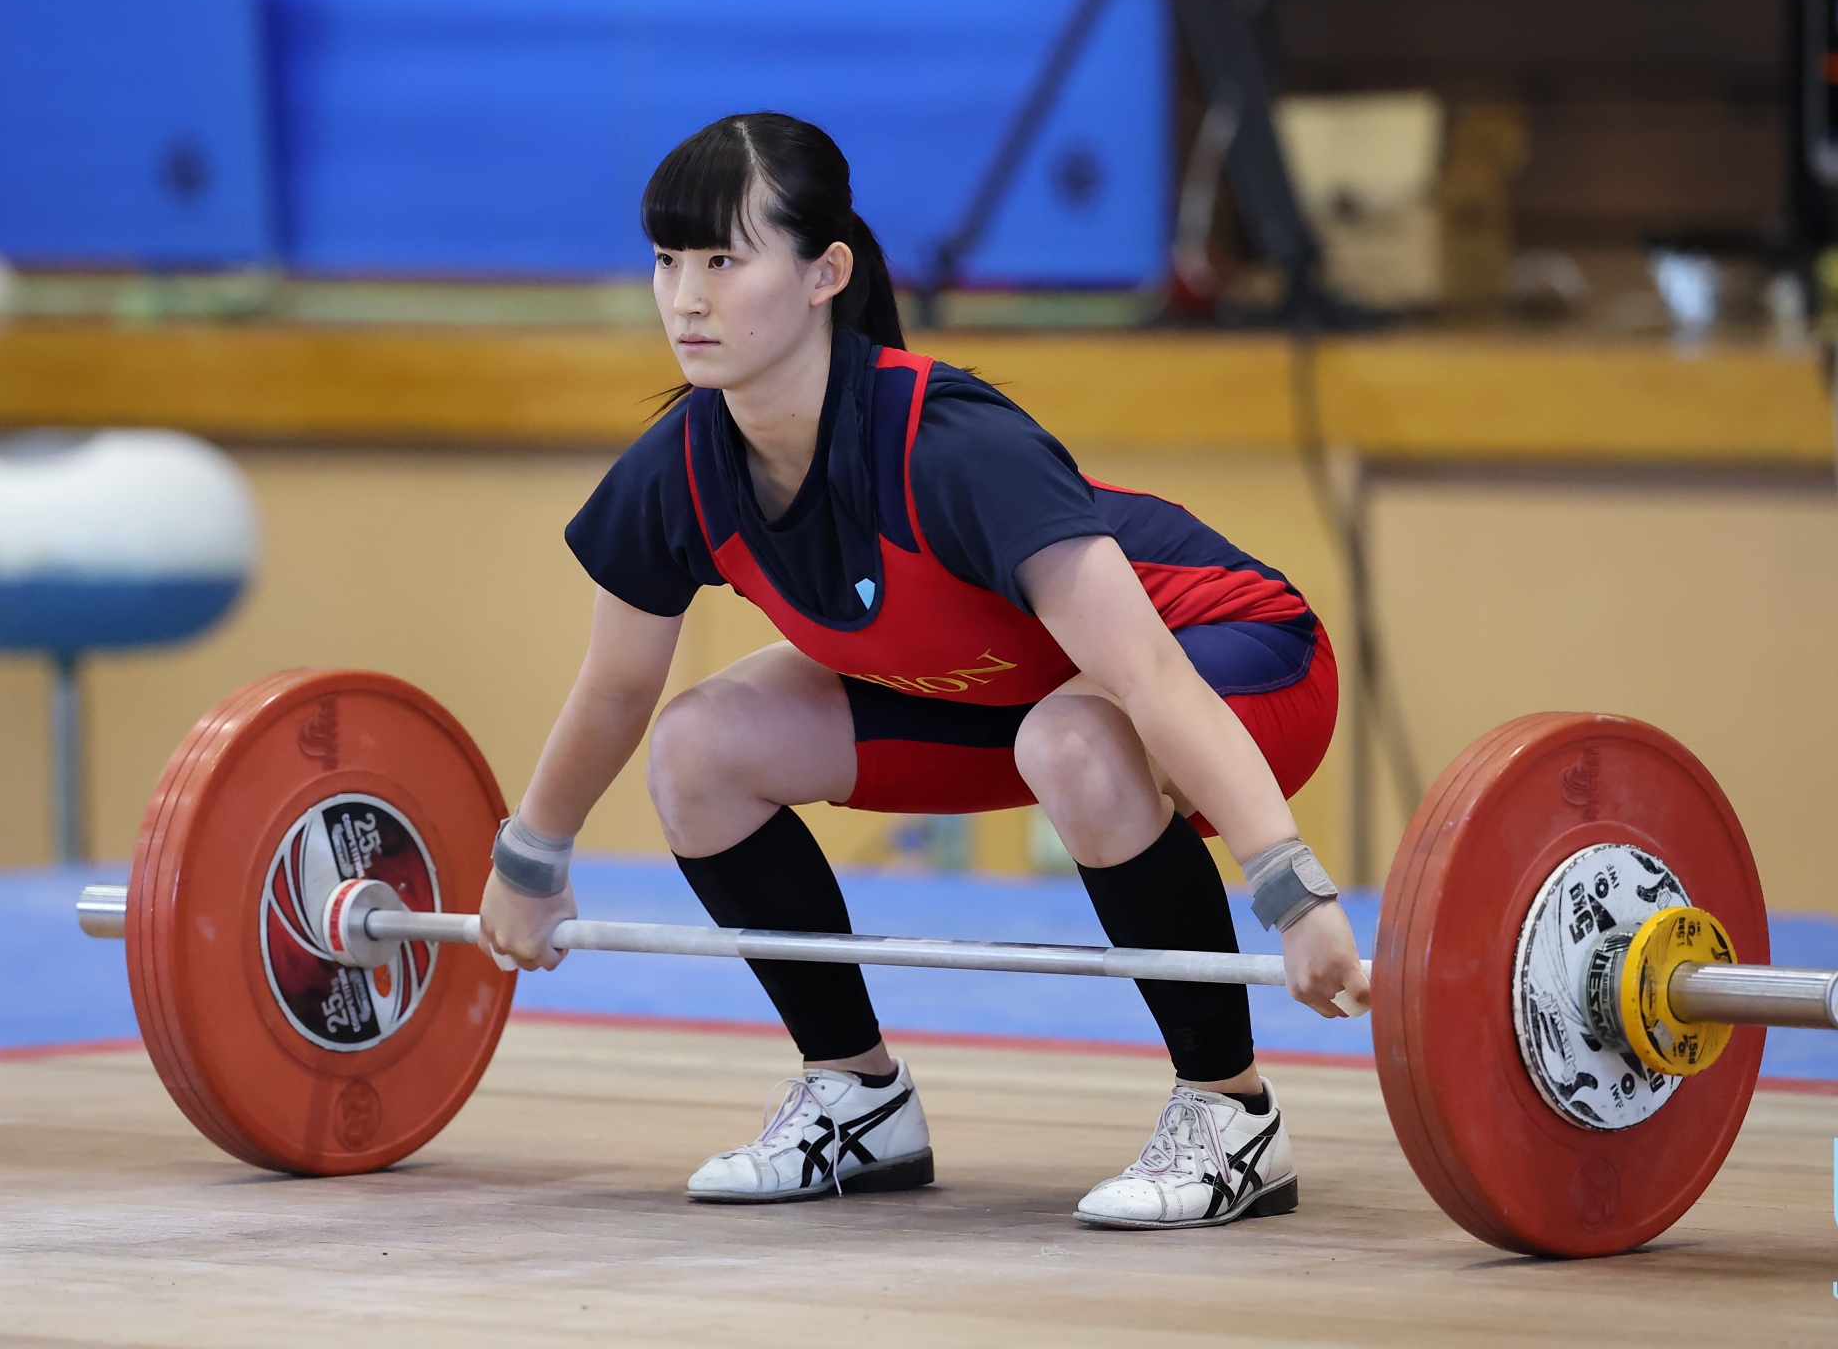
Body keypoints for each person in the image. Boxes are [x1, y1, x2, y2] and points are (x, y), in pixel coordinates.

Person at [479, 112, 1368, 1230]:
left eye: (723, 260)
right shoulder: (681, 471)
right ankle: (858, 1095)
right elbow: (616, 689)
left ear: (825, 274)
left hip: (1237, 655)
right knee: (698, 748)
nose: (686, 298)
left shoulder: (949, 446)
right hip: (999, 697)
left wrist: (1292, 890)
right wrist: (530, 859)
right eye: (667, 260)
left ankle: (1232, 1112)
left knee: (1075, 737)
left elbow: (1147, 673)